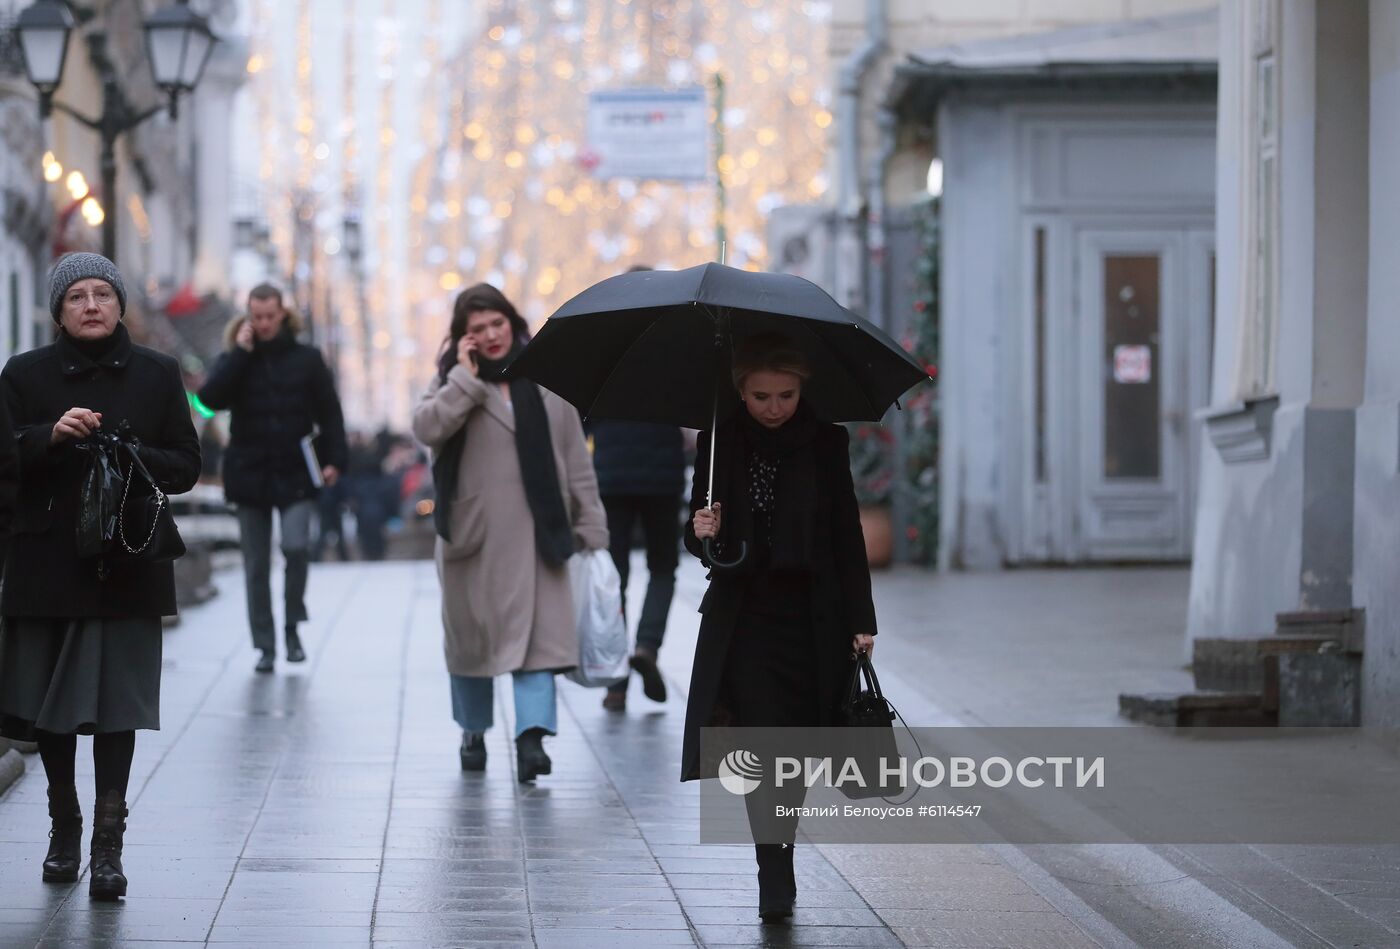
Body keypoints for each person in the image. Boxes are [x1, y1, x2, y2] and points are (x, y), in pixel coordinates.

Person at [0, 252, 201, 901]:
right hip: (47, 564)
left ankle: (108, 846)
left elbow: (187, 464)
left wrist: (129, 449)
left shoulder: (158, 374)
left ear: (119, 304)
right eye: (77, 296)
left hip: (126, 565)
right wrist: (46, 436)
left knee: (118, 709)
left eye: (102, 294)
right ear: (59, 309)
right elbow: (5, 460)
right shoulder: (23, 374)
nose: (91, 305)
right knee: (50, 709)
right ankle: (64, 828)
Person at [680, 333, 877, 923]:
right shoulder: (719, 440)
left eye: (786, 395)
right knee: (763, 743)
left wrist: (862, 619)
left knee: (797, 746)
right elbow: (697, 543)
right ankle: (775, 870)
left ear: (802, 389)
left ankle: (780, 851)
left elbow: (847, 533)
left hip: (813, 616)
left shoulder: (825, 441)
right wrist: (701, 528)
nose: (773, 407)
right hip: (747, 618)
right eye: (761, 395)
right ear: (740, 390)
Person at [411, 283, 607, 783]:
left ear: (512, 322)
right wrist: (465, 379)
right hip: (472, 540)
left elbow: (574, 460)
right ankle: (473, 731)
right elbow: (428, 428)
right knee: (472, 648)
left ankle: (532, 738)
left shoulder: (547, 380)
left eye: (497, 323)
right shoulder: (449, 384)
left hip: (542, 536)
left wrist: (591, 524)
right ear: (463, 338)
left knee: (538, 642)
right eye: (478, 329)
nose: (491, 334)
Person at [198, 284, 348, 673]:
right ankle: (265, 645)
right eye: (256, 317)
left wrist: (335, 460)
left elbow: (330, 413)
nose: (263, 324)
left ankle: (293, 624)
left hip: (295, 469)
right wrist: (240, 355)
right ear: (248, 317)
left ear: (282, 314)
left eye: (269, 316)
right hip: (248, 471)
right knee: (255, 565)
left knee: (297, 547)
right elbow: (210, 399)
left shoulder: (308, 359)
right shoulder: (234, 357)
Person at [590, 417, 685, 711]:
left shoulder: (604, 372)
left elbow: (585, 422)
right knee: (663, 570)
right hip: (663, 478)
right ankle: (647, 646)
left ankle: (616, 683)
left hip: (612, 476)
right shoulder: (675, 372)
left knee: (614, 580)